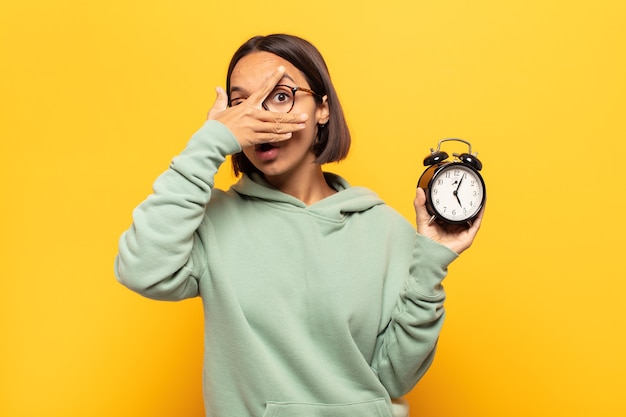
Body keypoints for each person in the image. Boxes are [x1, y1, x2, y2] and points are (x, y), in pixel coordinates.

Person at [115, 33, 483, 417]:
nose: (260, 117)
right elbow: (142, 269)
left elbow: (394, 378)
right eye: (241, 104)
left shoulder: (385, 229)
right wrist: (209, 143)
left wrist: (430, 265)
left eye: (280, 96)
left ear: (323, 109)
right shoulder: (212, 223)